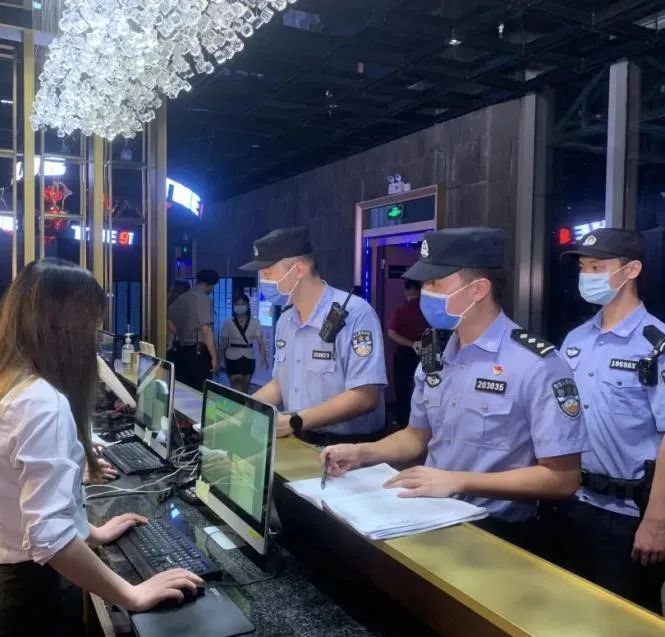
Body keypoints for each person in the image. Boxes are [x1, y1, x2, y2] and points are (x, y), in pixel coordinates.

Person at [321, 227, 587, 549]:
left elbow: (563, 478)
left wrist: (457, 481)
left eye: (435, 283)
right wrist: (362, 453)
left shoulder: (536, 364)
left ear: (478, 289)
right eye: (423, 284)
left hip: (497, 531)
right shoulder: (436, 355)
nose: (425, 293)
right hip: (428, 516)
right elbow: (415, 436)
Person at [0, 259, 202, 637]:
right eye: (92, 323)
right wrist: (132, 594)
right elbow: (48, 539)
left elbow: (22, 496)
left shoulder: (13, 379)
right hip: (28, 591)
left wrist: (89, 531)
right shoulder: (42, 403)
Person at [549, 228, 665, 612]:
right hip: (572, 503)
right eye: (583, 267)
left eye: (598, 267)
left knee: (624, 620)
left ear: (631, 271)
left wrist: (657, 521)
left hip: (629, 516)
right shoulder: (575, 339)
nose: (587, 276)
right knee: (566, 614)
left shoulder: (656, 344)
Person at [240, 226, 387, 444]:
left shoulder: (355, 314)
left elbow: (365, 396)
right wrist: (242, 411)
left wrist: (295, 421)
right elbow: (281, 383)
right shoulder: (286, 320)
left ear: (298, 270)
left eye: (268, 273)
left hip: (349, 447)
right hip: (299, 438)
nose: (263, 281)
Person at [167, 269, 220, 391]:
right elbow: (206, 330)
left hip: (181, 351)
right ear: (210, 285)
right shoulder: (203, 299)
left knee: (185, 390)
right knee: (200, 390)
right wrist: (214, 357)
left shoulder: (180, 299)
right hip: (198, 352)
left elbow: (171, 325)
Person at [387, 279, 430, 426]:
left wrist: (411, 344)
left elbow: (391, 333)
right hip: (428, 353)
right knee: (426, 389)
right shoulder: (429, 310)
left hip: (404, 354)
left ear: (408, 290)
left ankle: (403, 421)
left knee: (403, 389)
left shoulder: (401, 310)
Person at [220, 293, 267, 394]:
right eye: (237, 304)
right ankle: (235, 403)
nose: (239, 307)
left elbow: (260, 343)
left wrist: (264, 357)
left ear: (248, 306)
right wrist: (218, 357)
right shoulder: (228, 322)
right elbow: (224, 343)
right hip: (232, 357)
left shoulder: (255, 322)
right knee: (236, 386)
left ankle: (245, 403)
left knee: (245, 388)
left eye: (242, 304)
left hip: (248, 357)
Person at [166, 280, 190, 368]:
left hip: (170, 343)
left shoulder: (167, 304)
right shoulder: (183, 306)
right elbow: (174, 328)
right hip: (178, 344)